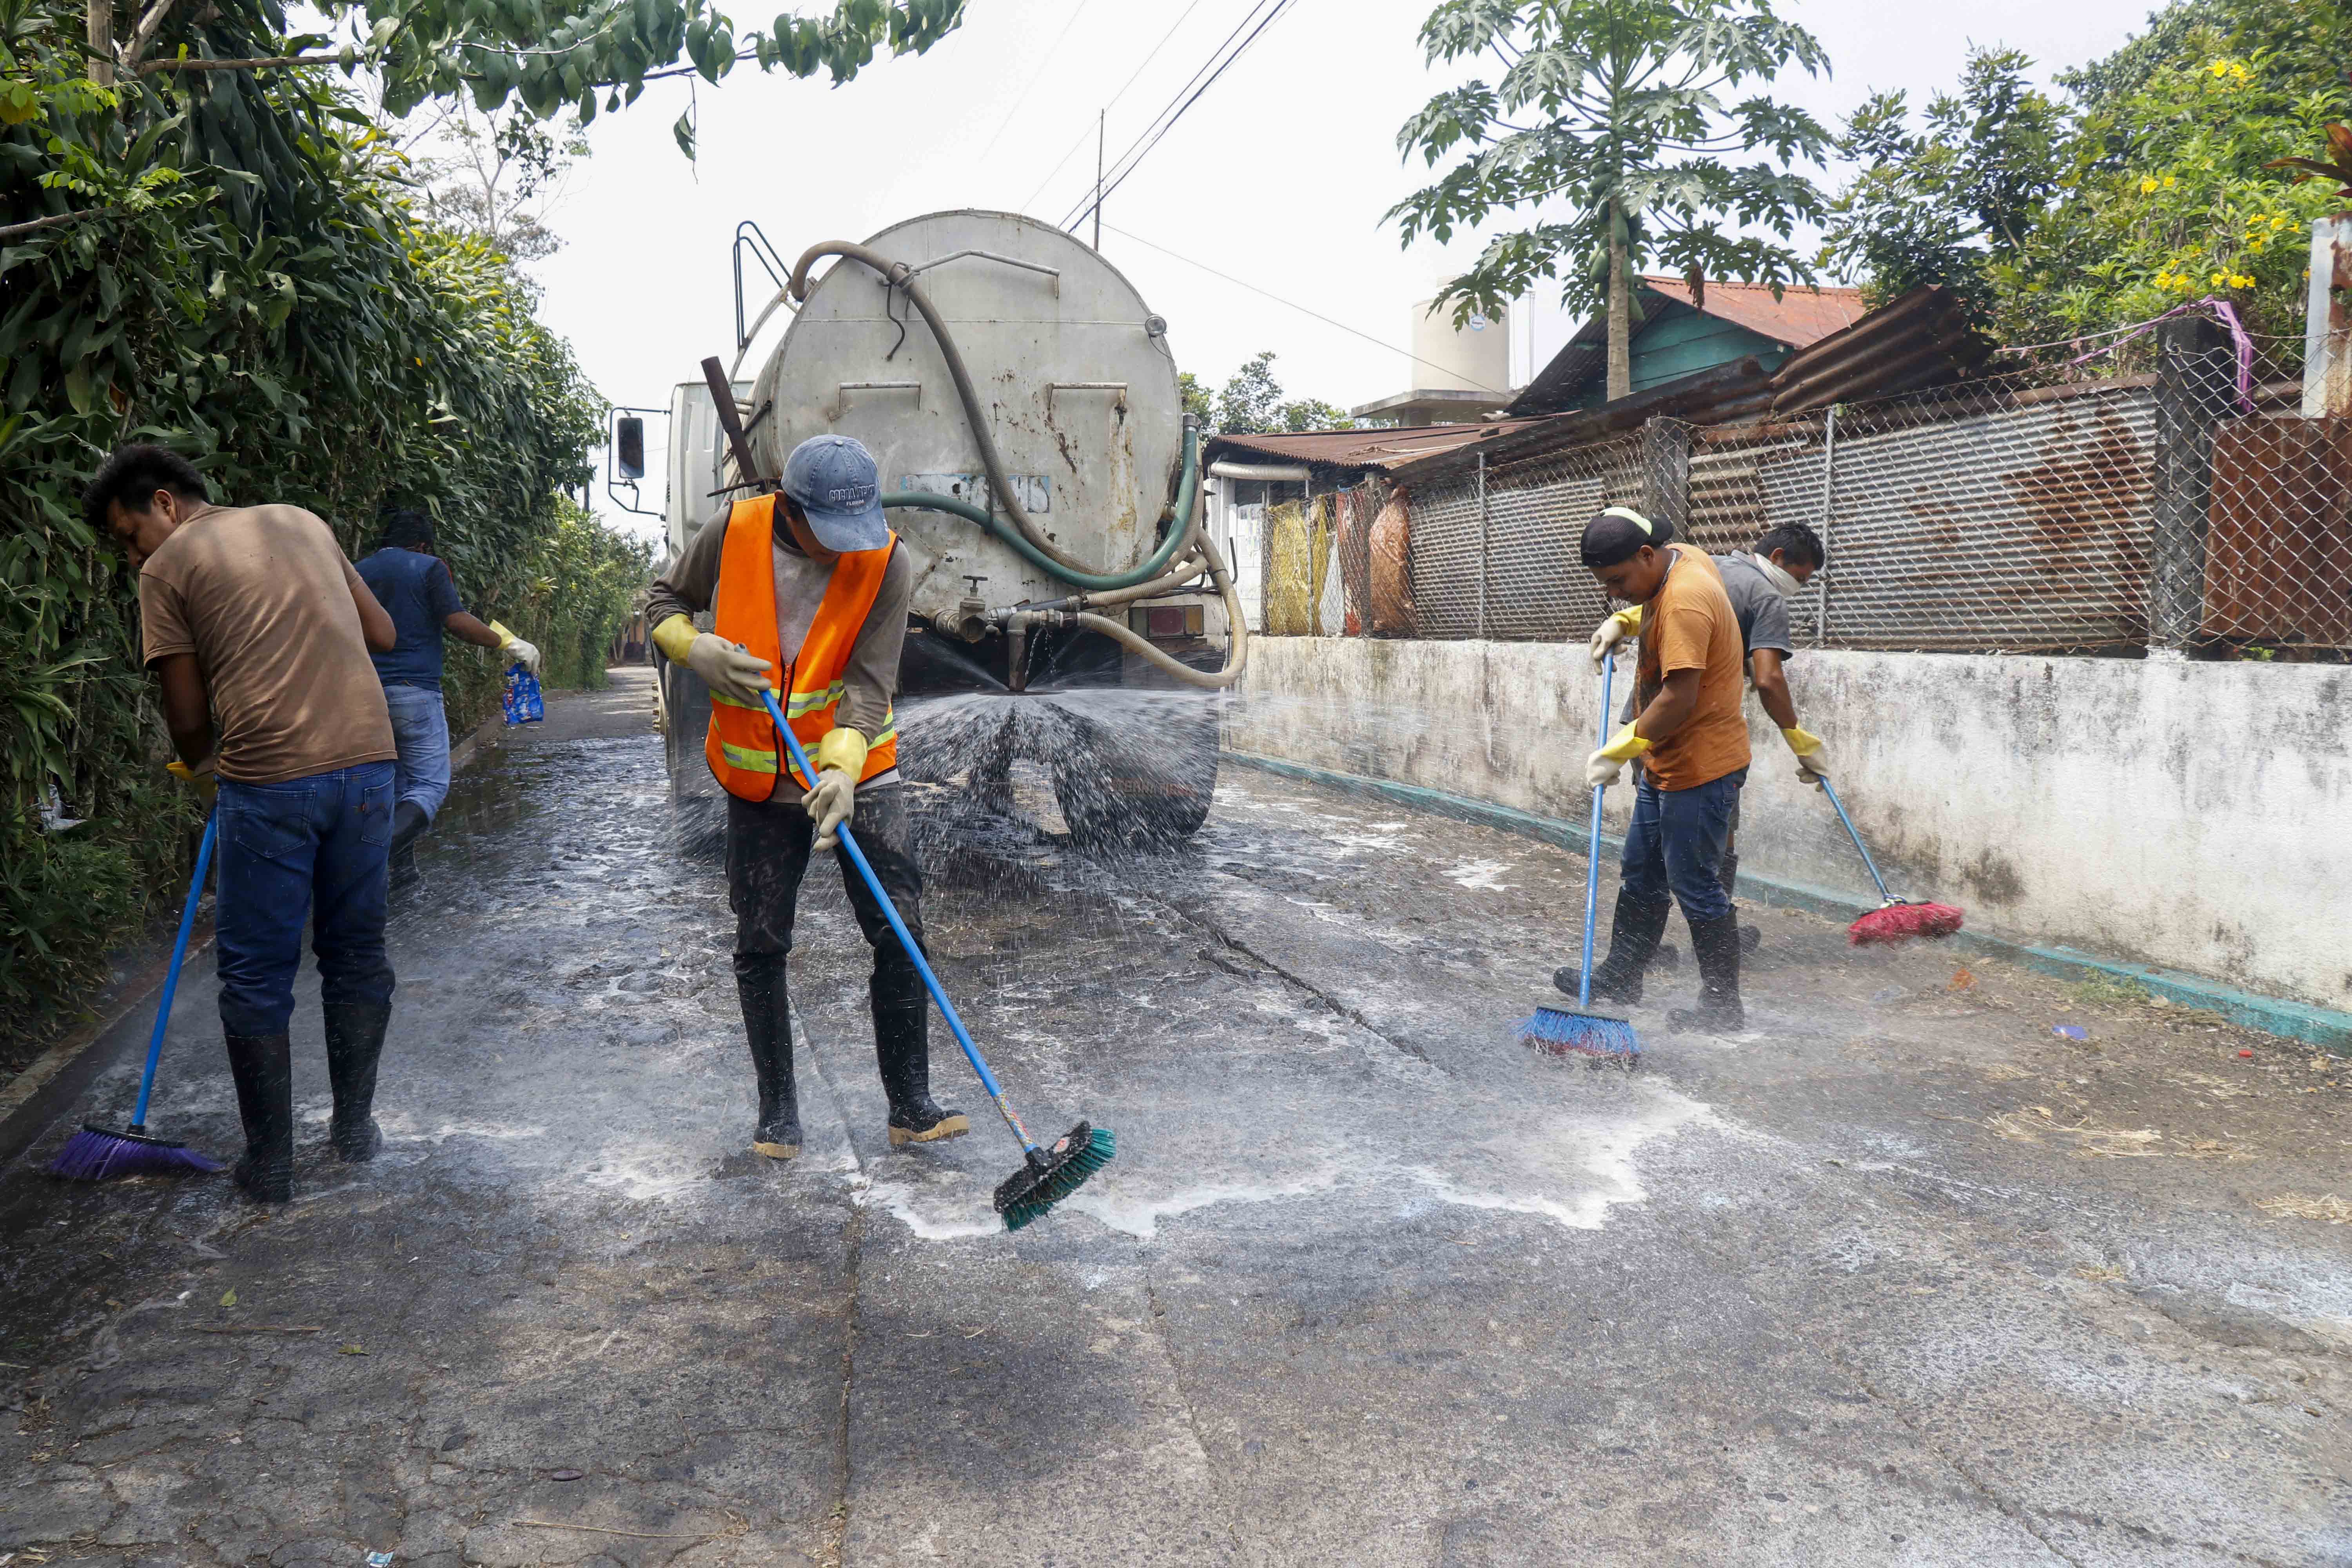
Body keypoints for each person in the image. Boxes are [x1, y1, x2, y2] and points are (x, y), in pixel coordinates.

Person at [87, 445, 401, 1202]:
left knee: (257, 974)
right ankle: (355, 1132)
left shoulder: (169, 569)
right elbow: (383, 634)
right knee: (355, 953)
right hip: (369, 762)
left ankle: (271, 1165)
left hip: (271, 778)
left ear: (165, 503)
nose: (134, 558)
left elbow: (189, 715)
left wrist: (200, 768)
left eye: (130, 537)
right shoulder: (303, 520)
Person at [643, 434, 967, 1162]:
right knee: (761, 942)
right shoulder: (732, 531)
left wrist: (845, 770)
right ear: (789, 509)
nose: (841, 552)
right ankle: (778, 1115)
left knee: (902, 933)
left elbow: (871, 683)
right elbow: (665, 599)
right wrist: (690, 647)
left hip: (861, 770)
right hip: (759, 779)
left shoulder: (886, 558)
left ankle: (911, 1107)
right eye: (829, 536)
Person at [1588, 522, 1829, 951]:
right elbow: (1769, 680)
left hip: (1658, 734)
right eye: (1802, 578)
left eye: (1617, 583)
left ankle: (1689, 976)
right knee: (1687, 861)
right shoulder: (1761, 595)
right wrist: (1798, 738)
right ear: (1777, 560)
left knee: (1668, 863)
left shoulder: (1699, 559)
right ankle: (1672, 959)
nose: (1800, 587)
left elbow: (1679, 619)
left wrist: (1622, 623)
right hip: (1682, 741)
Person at [1556, 505, 1752, 1032]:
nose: (1615, 591)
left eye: (1619, 581)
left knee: (1694, 882)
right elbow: (1656, 595)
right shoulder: (1681, 558)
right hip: (1665, 758)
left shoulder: (1687, 599)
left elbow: (1680, 697)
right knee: (1642, 873)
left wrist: (1617, 749)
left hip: (1701, 765)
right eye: (1605, 586)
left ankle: (1722, 1006)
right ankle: (1623, 975)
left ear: (1647, 555)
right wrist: (1625, 619)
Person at [354, 508, 541, 869]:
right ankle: (373, 859)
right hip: (415, 693)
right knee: (428, 786)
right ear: (423, 544)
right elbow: (456, 621)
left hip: (365, 696)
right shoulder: (428, 567)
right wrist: (508, 643)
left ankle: (400, 880)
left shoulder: (356, 571)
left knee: (394, 788)